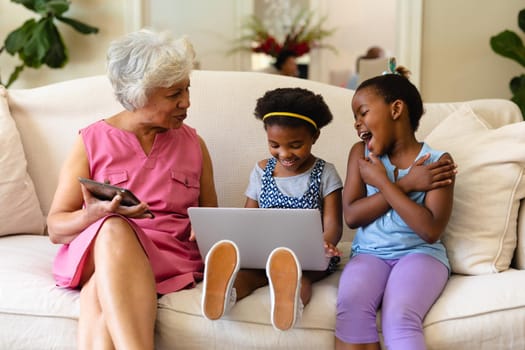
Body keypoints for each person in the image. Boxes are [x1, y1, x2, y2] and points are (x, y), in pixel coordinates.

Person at [46, 29, 218, 350]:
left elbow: (212, 223)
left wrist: (205, 225)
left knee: (98, 297)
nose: (186, 102)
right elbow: (56, 228)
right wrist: (93, 215)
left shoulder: (195, 144)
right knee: (112, 228)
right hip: (105, 249)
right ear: (139, 95)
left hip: (168, 259)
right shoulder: (91, 140)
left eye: (187, 89)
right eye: (174, 95)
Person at [200, 87, 343, 331]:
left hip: (306, 256)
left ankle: (289, 301)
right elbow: (249, 217)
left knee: (301, 278)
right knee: (248, 275)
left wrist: (326, 242)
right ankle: (225, 293)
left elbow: (333, 223)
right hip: (264, 253)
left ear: (315, 136)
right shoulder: (261, 171)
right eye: (274, 144)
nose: (284, 153)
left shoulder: (325, 172)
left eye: (295, 145)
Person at [335, 68, 457, 350]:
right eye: (355, 117)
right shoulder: (360, 154)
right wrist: (406, 183)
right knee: (351, 306)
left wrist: (382, 182)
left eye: (362, 112)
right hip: (368, 255)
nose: (357, 124)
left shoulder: (437, 162)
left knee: (399, 316)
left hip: (421, 255)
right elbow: (352, 216)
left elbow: (429, 230)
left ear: (396, 109)